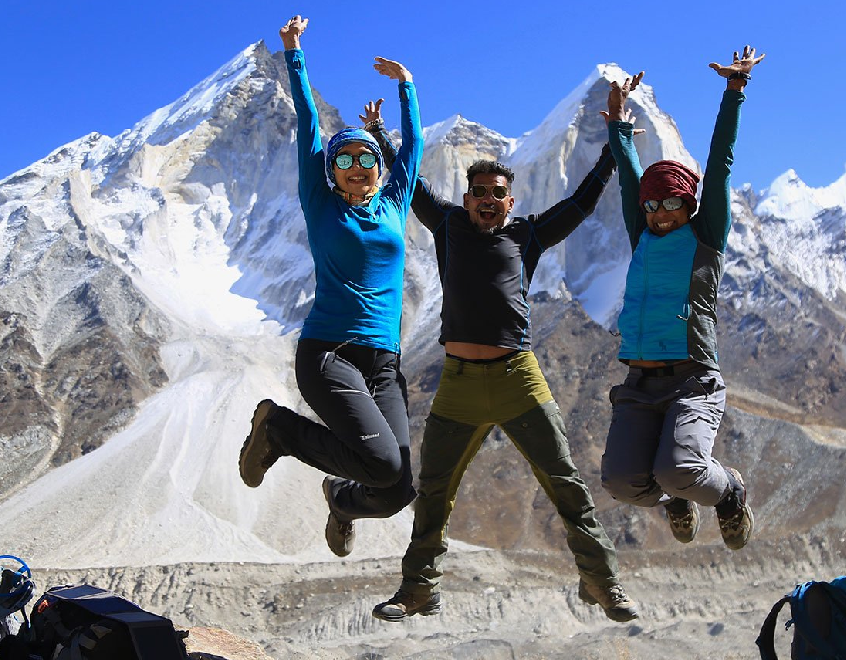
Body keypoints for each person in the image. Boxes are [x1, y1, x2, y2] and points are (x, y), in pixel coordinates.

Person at [360, 99, 638, 623]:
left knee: (565, 482)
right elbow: (411, 182)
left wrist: (615, 139)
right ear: (467, 198)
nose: (488, 201)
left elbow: (582, 201)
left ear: (511, 202)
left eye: (498, 194)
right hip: (458, 383)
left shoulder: (528, 233)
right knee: (435, 490)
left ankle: (603, 583)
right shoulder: (445, 224)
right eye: (479, 193)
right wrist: (379, 133)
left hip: (518, 378)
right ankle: (418, 589)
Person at [237, 14, 423, 559]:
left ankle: (341, 501)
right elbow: (309, 125)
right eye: (345, 159)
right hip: (329, 354)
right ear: (331, 171)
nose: (358, 165)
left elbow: (412, 147)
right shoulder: (320, 206)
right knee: (384, 464)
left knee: (398, 489)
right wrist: (293, 52)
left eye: (367, 157)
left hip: (383, 364)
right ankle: (280, 431)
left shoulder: (393, 203)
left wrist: (407, 85)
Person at [598, 47, 763, 548]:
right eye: (652, 204)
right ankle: (676, 498)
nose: (659, 212)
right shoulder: (641, 233)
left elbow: (720, 163)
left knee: (681, 468)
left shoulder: (706, 234)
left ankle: (729, 491)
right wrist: (617, 127)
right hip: (638, 382)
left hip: (692, 378)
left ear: (689, 203)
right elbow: (629, 180)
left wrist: (734, 93)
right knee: (621, 483)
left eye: (671, 202)